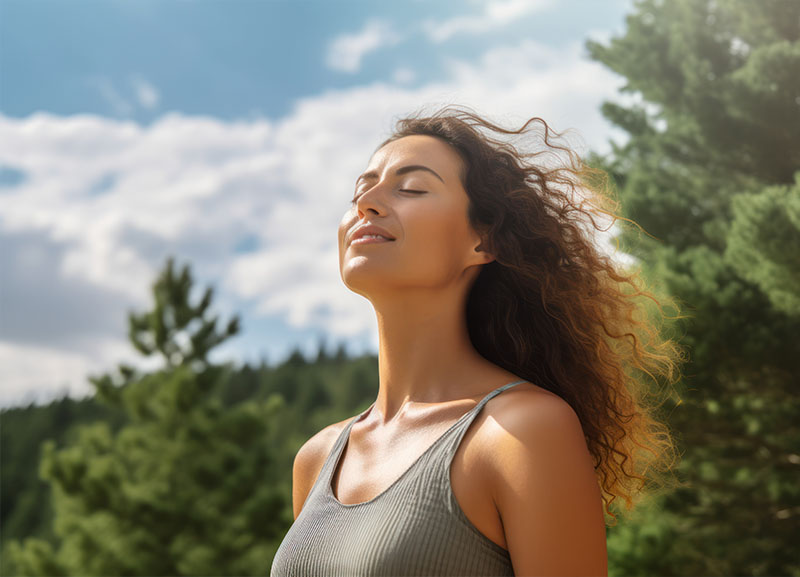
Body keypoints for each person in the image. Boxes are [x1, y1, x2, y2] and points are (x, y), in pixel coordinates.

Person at [269, 105, 684, 576]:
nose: (368, 203)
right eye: (360, 191)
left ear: (483, 242)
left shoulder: (522, 429)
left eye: (412, 188)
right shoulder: (319, 457)